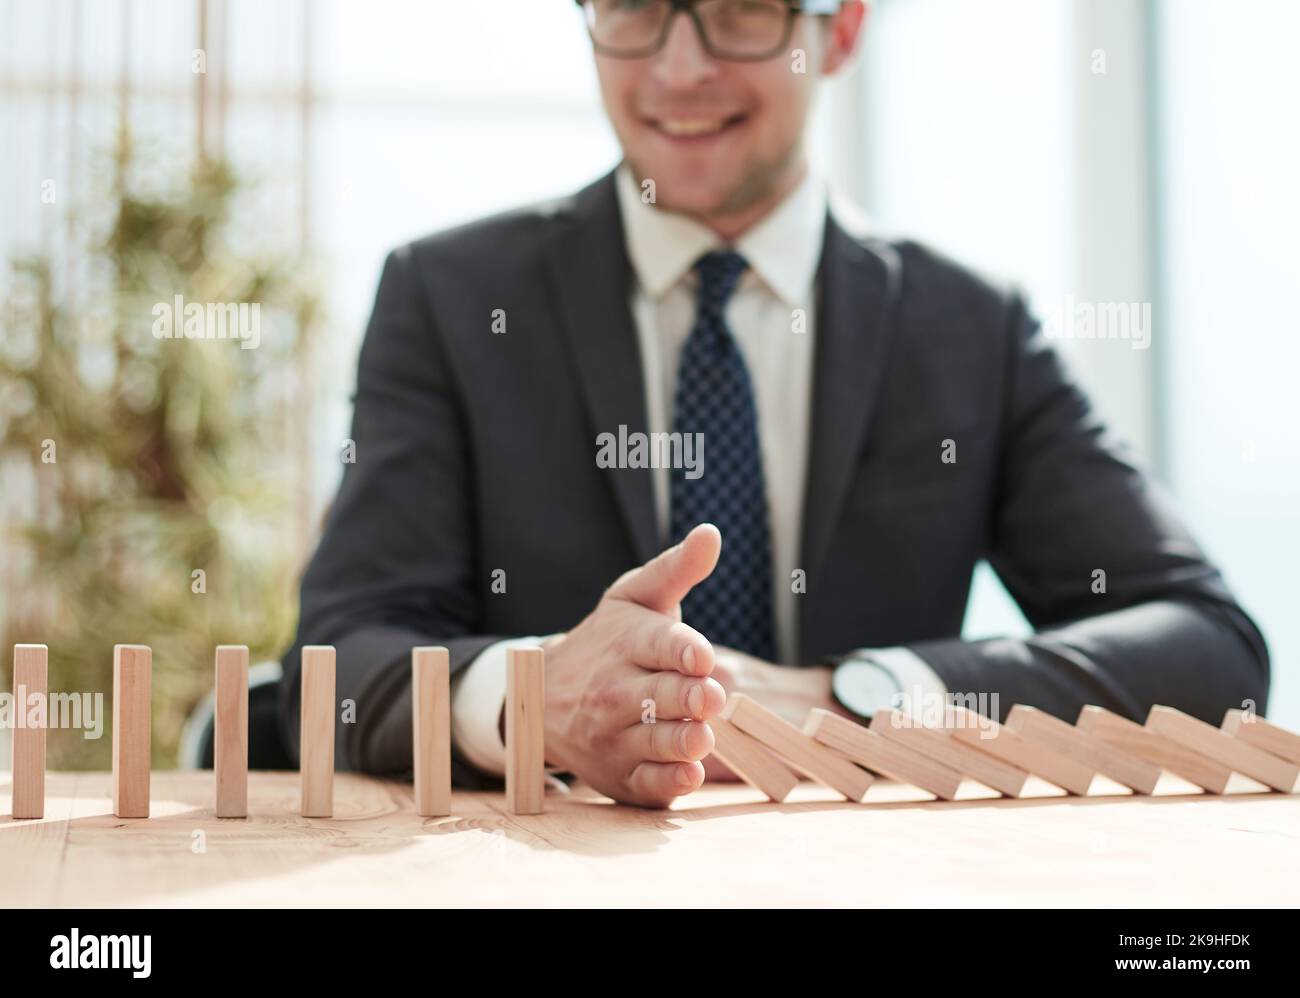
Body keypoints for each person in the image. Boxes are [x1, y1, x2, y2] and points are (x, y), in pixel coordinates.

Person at [278, 0, 1268, 808]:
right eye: (631, 8)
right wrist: (546, 696)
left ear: (839, 32)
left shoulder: (969, 328)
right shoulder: (450, 298)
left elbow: (1207, 646)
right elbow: (335, 660)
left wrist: (864, 698)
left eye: (738, 10)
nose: (676, 67)